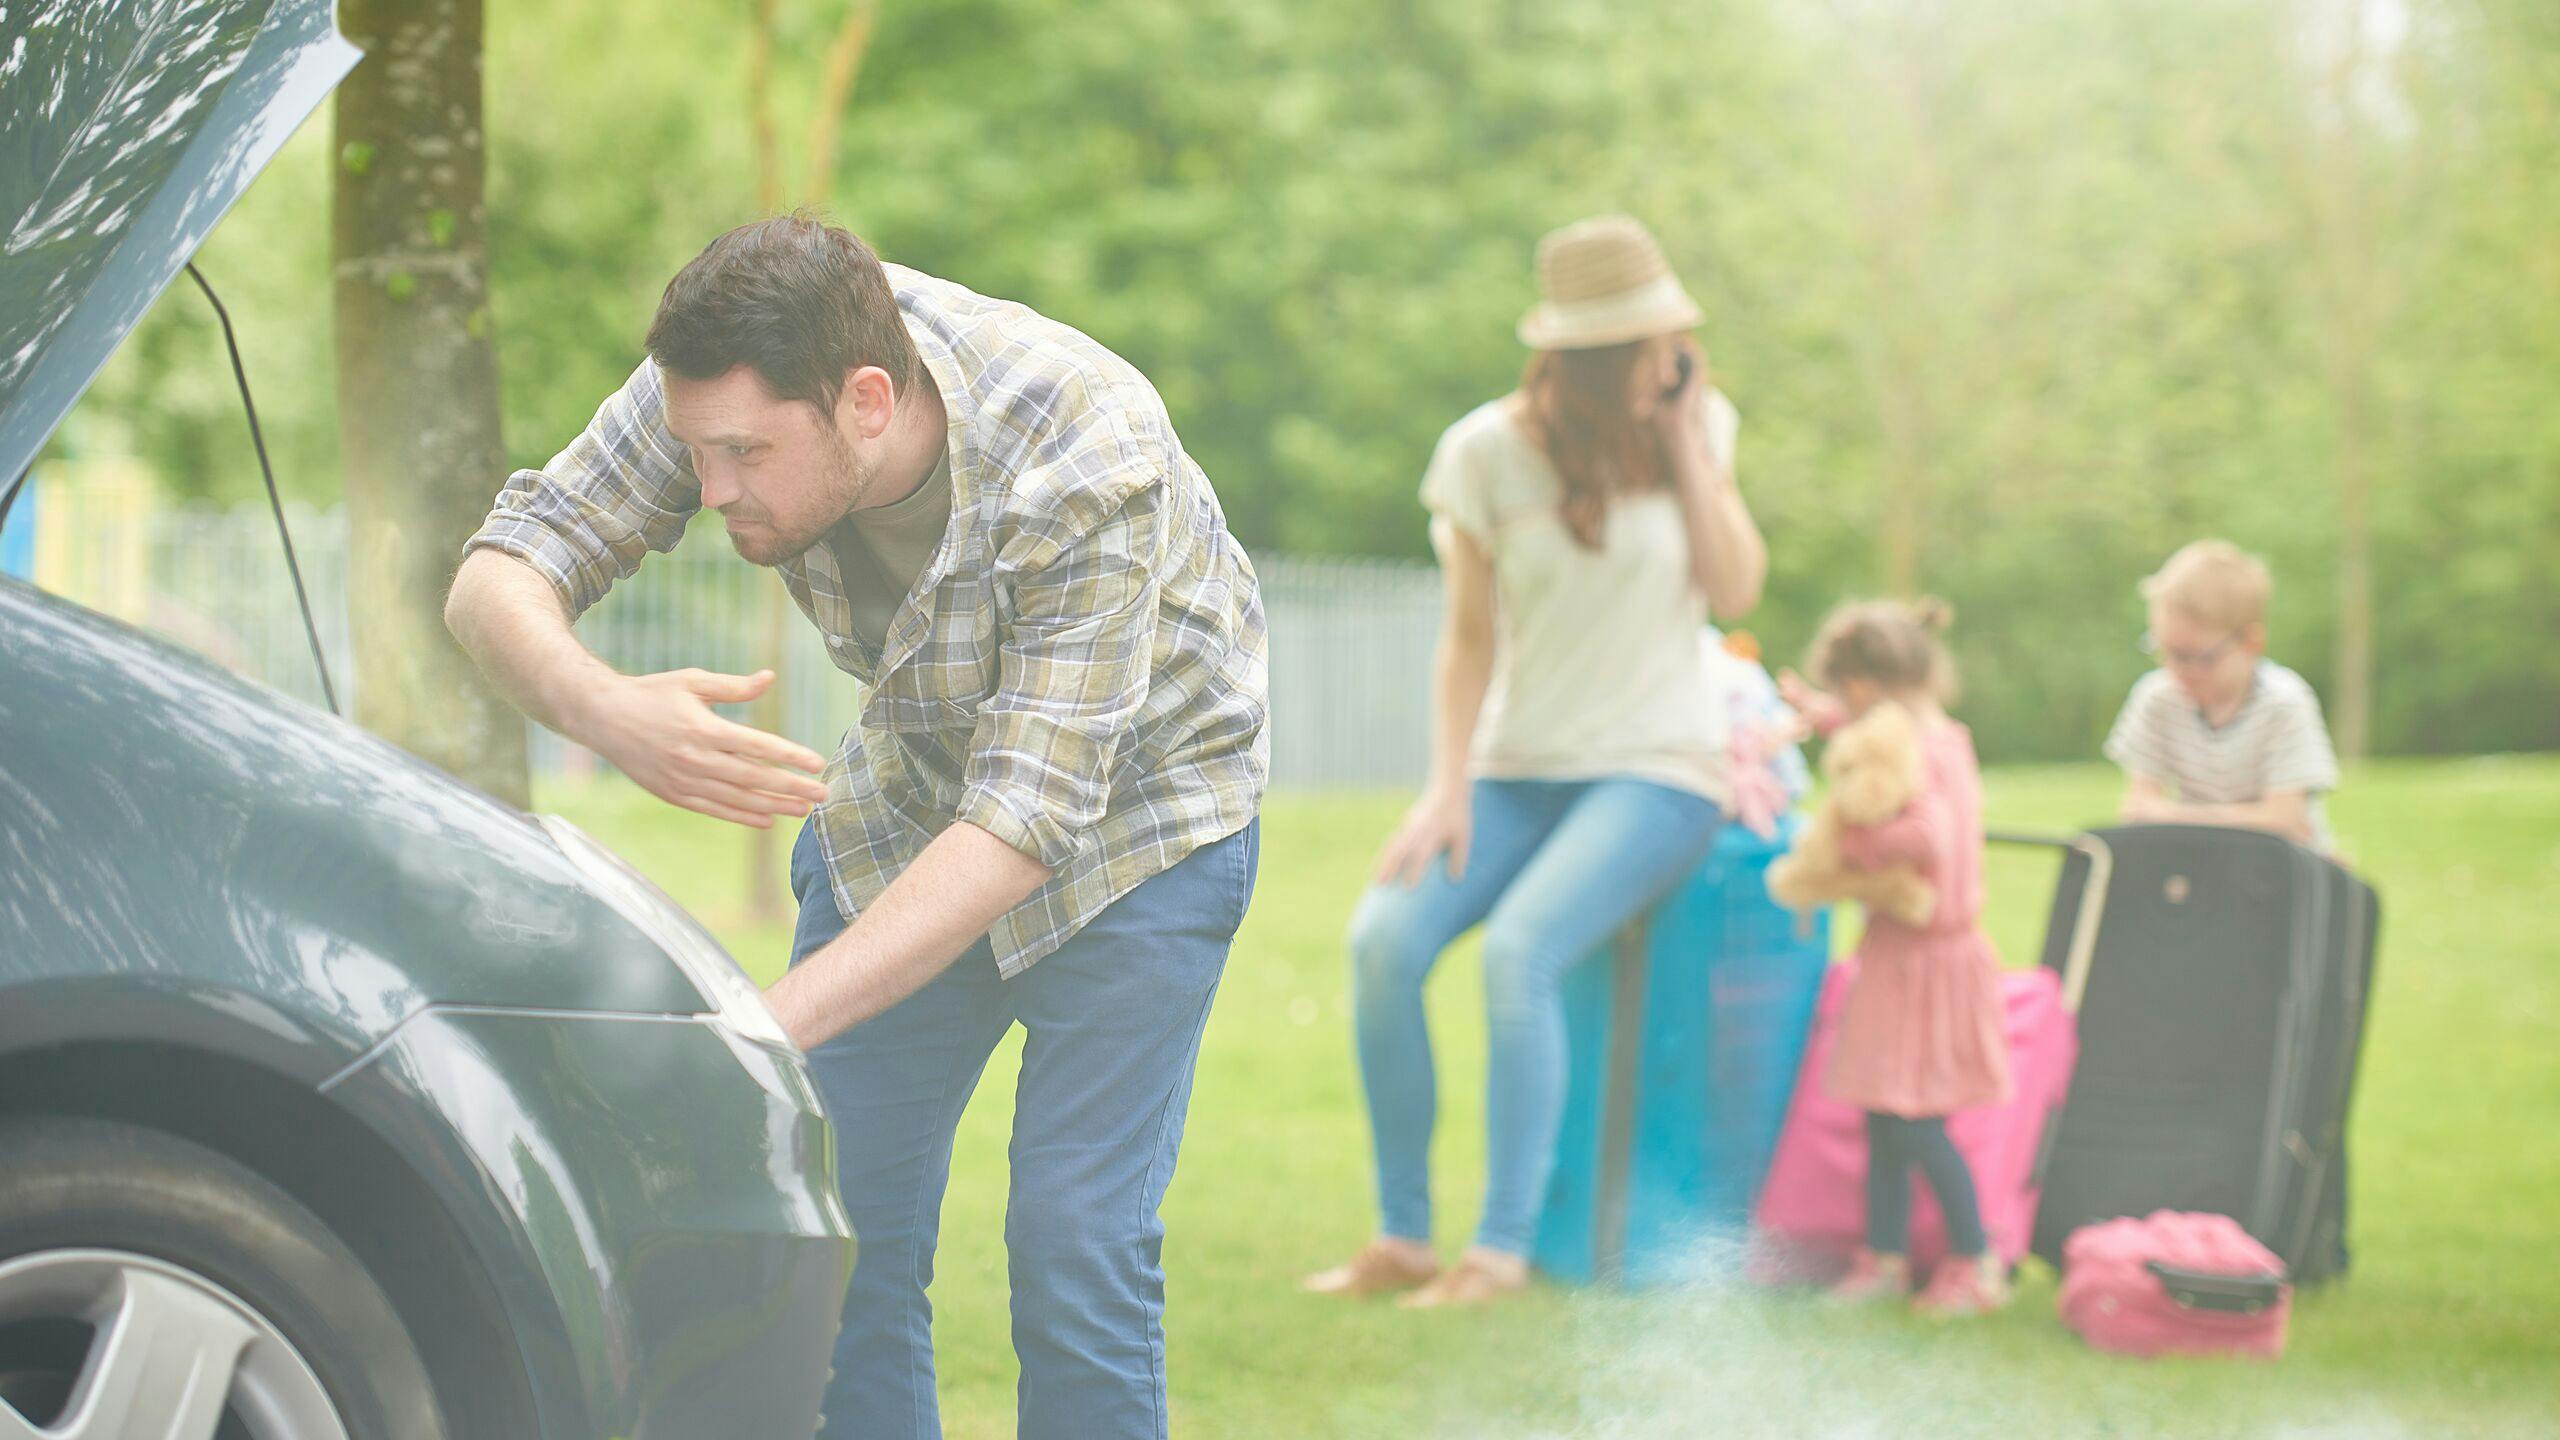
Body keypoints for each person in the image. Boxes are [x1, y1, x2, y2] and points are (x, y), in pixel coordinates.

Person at [444, 214, 1267, 1440]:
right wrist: (605, 710)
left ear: (867, 403)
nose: (708, 489)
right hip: (916, 797)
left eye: (742, 456)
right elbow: (499, 569)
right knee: (831, 1234)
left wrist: (761, 1029)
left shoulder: (1088, 450)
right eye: (696, 452)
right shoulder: (731, 377)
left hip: (1144, 832)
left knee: (1073, 1243)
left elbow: (1028, 817)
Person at [1303, 214, 1768, 1307]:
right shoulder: (1484, 453)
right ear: (1598, 355)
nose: (1672, 355)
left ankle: (1498, 1251)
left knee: (1519, 953)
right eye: (1653, 340)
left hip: (1659, 766)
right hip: (1516, 765)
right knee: (1381, 942)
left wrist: (1692, 445)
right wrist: (1445, 785)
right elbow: (1467, 640)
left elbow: (1736, 589)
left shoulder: (1701, 434)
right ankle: (1403, 1238)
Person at [1777, 600, 2012, 1317]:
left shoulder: (1920, 749)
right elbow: (1869, 738)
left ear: (1870, 683)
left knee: (1916, 1122)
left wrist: (1848, 847)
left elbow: (1928, 836)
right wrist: (1817, 713)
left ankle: (1976, 1261)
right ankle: (1883, 1256)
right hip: (1903, 952)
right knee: (1882, 1117)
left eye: (1845, 691)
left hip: (1927, 958)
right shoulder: (1935, 732)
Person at [2105, 539, 2340, 850]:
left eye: (2196, 657)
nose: (2177, 670)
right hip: (2203, 863)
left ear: (2250, 643)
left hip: (2283, 870)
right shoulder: (2158, 699)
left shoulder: (2284, 703)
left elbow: (2287, 821)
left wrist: (2176, 816)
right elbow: (2139, 807)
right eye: (2164, 651)